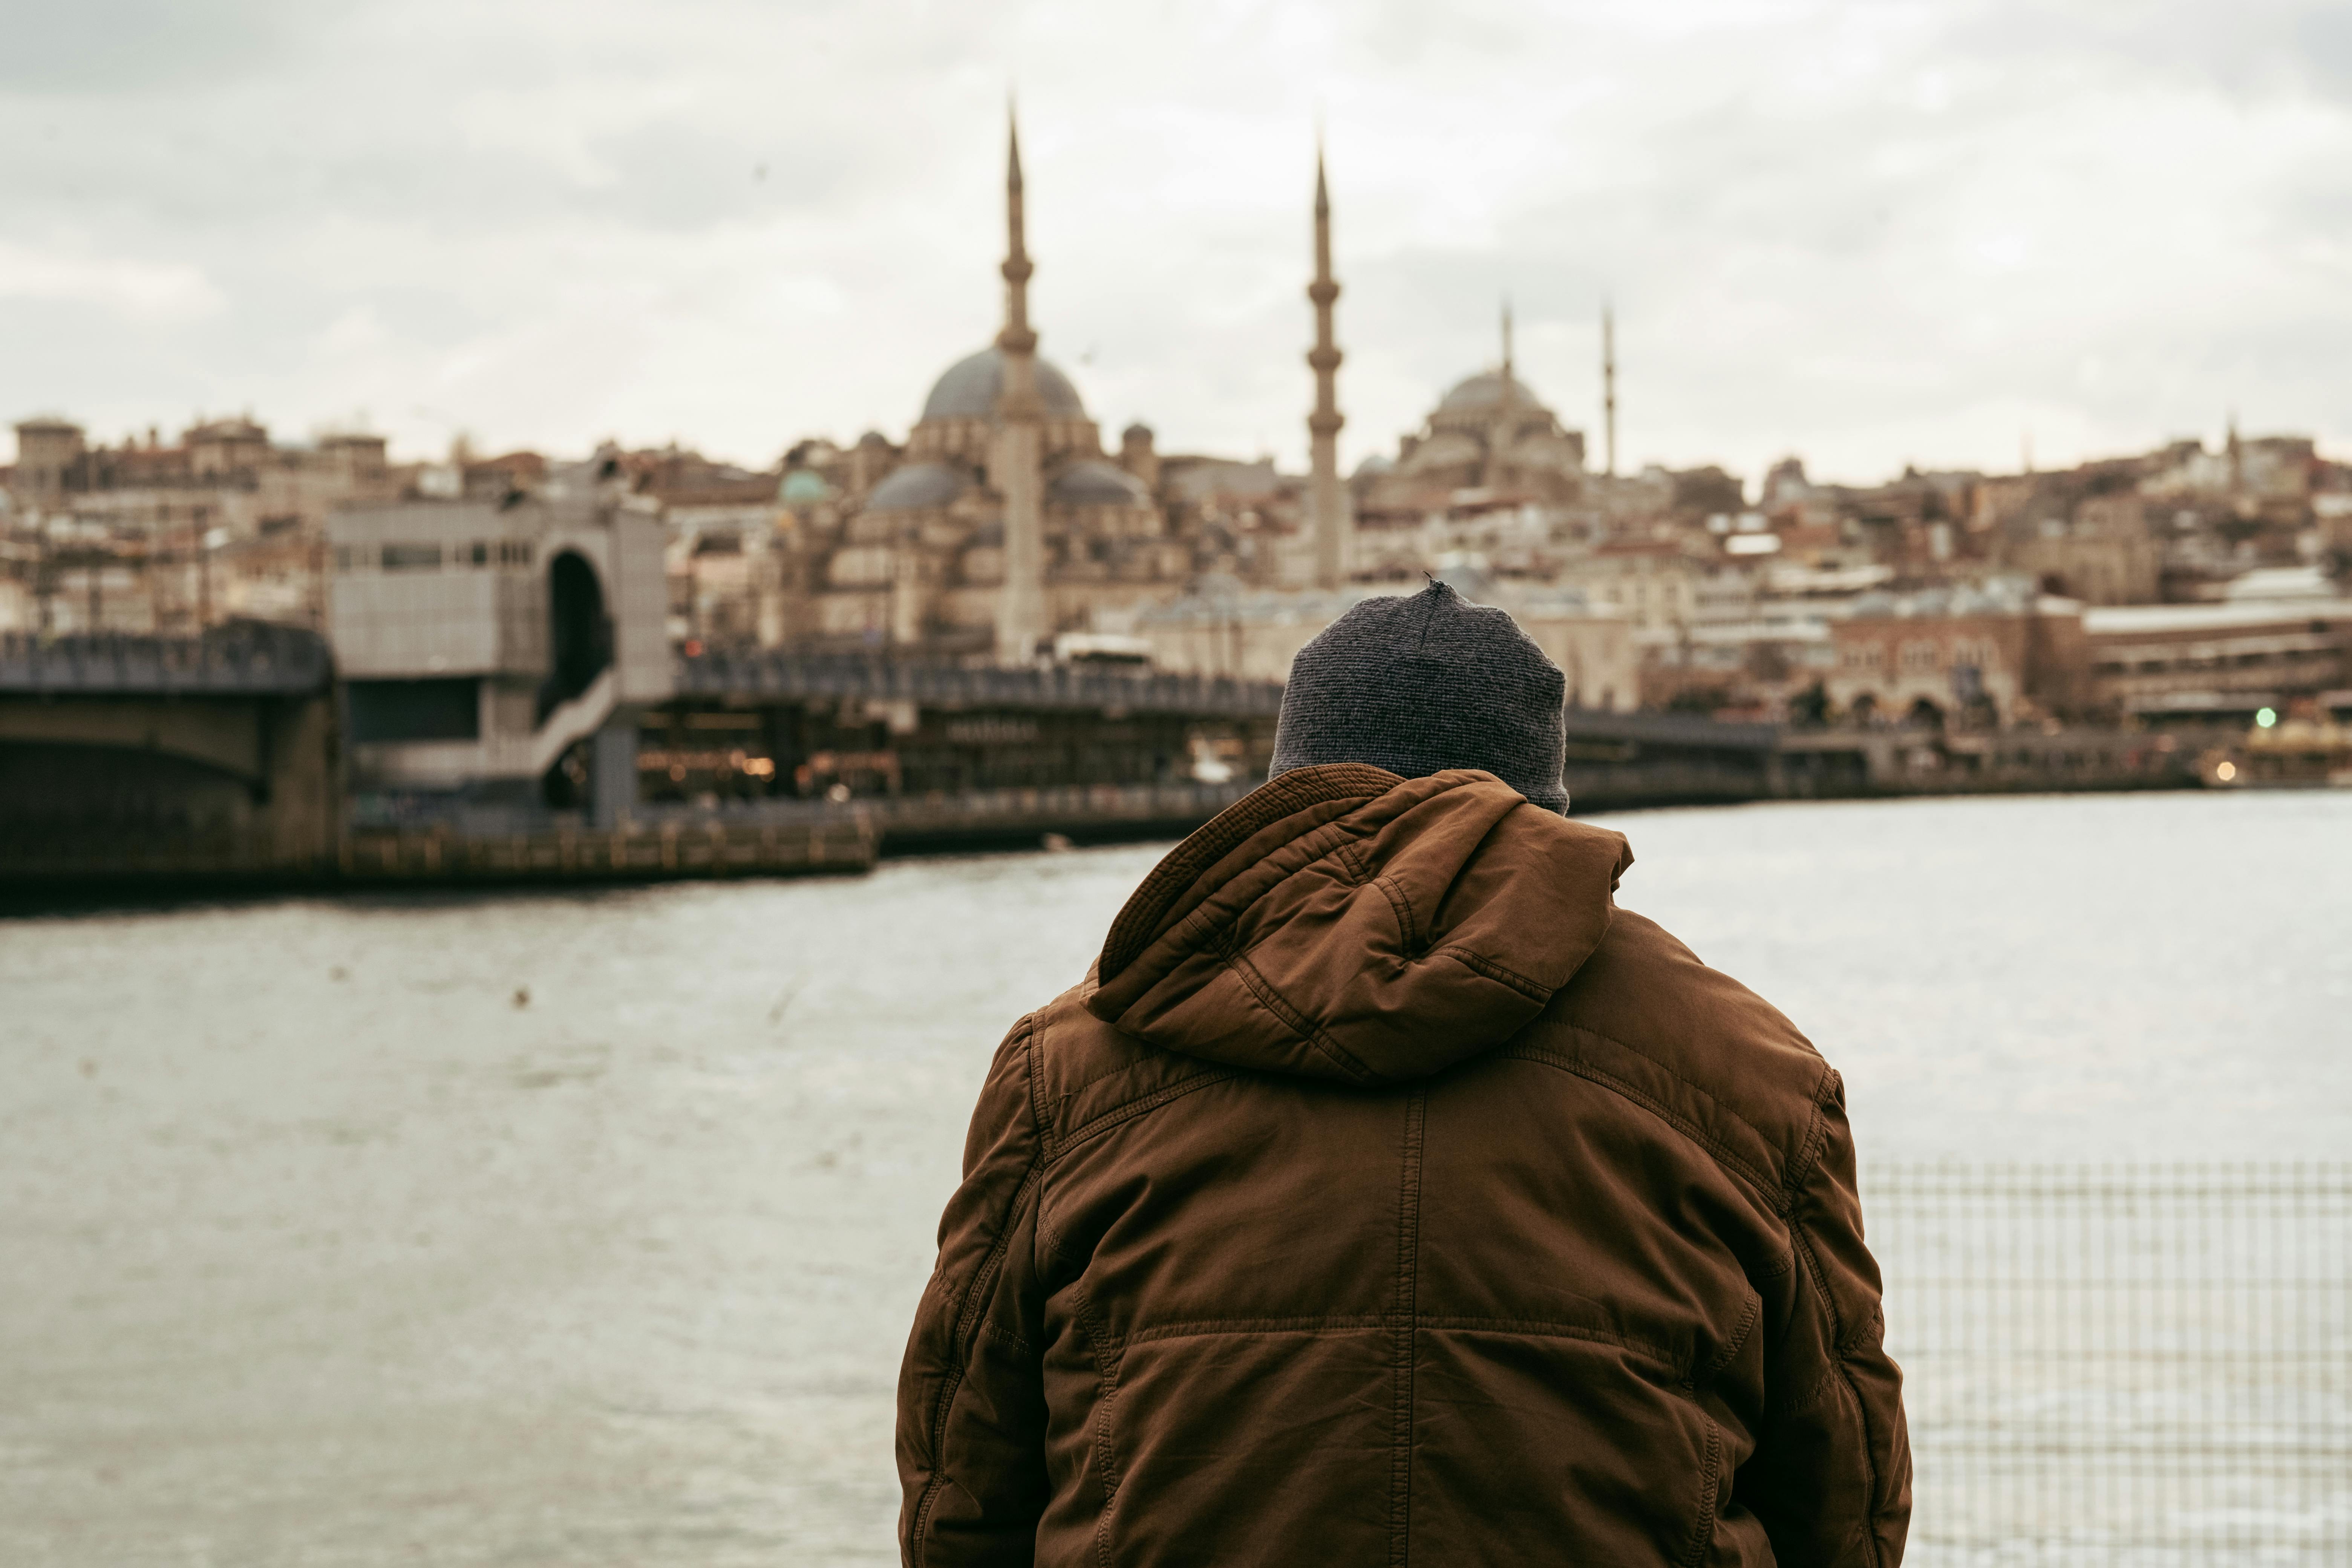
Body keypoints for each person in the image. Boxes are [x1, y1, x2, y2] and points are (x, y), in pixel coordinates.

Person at [896, 582, 1911, 1566]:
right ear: (1545, 801)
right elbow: (1841, 1494)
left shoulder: (1070, 1064)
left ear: (1285, 784)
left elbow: (965, 1471)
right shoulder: (1751, 1070)